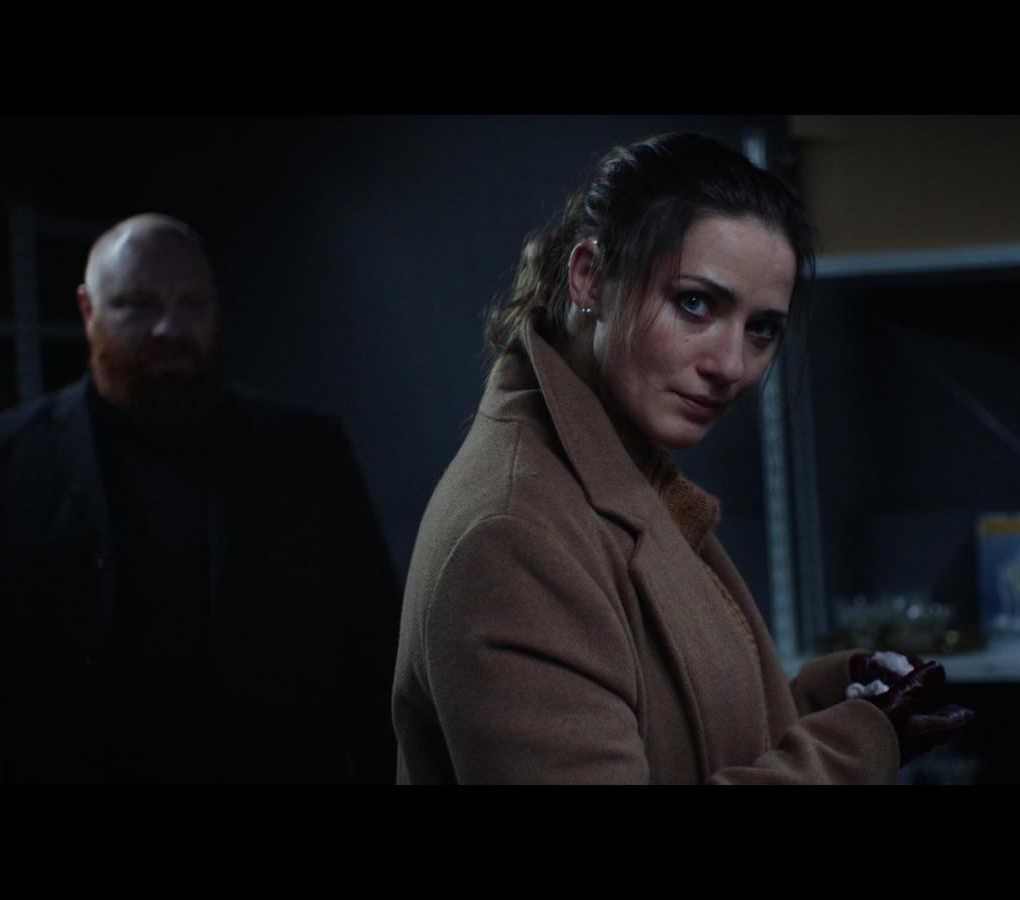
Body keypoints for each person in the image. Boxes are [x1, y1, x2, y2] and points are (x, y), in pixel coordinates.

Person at [392, 133, 972, 783]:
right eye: (695, 303)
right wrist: (849, 752)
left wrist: (835, 700)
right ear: (590, 278)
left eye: (762, 329)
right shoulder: (514, 538)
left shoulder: (617, 472)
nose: (732, 366)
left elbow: (669, 726)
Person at [0, 213, 401, 784]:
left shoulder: (306, 453)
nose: (169, 328)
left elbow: (377, 661)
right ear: (88, 311)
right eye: (139, 304)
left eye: (192, 303)